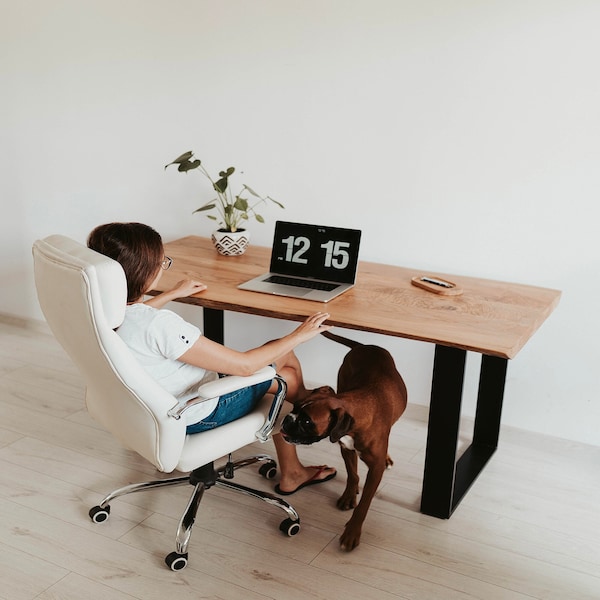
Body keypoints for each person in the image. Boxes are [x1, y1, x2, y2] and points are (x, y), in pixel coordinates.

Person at [87, 222, 336, 495]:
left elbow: (134, 317)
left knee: (278, 365)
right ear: (145, 271)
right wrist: (301, 334)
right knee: (285, 362)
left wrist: (171, 294)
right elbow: (244, 366)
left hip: (145, 408)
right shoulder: (161, 326)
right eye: (162, 262)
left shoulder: (99, 310)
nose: (163, 266)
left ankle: (305, 419)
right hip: (198, 412)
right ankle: (307, 422)